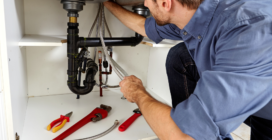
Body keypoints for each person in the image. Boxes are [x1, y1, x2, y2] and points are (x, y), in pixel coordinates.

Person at [103, 0, 272, 140]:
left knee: (188, 135)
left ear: (165, 3)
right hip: (249, 91)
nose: (145, 3)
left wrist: (138, 93)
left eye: (148, 0)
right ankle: (194, 124)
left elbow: (184, 136)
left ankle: (195, 129)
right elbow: (143, 26)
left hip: (267, 112)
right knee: (180, 56)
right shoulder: (197, 14)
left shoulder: (248, 30)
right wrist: (107, 3)